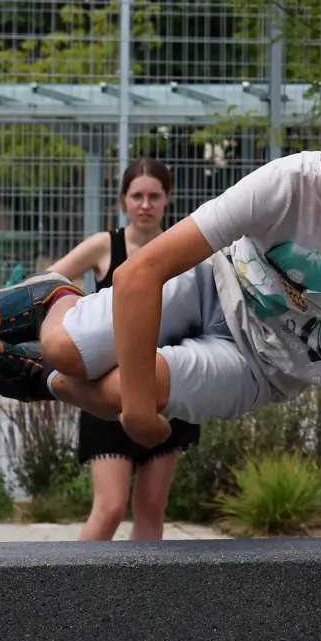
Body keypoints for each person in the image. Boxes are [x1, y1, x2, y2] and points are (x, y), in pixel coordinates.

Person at [0, 81, 321, 553]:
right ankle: (52, 300)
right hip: (211, 284)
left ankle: (36, 378)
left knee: (121, 388)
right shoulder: (287, 182)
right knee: (67, 352)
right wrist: (140, 417)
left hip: (262, 368)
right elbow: (141, 273)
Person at [45, 157, 200, 541]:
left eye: (153, 196)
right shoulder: (105, 245)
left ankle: (142, 600)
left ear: (168, 199)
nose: (145, 204)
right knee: (110, 508)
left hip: (164, 384)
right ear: (123, 201)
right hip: (106, 392)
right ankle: (72, 593)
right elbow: (49, 282)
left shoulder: (181, 245)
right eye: (137, 196)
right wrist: (74, 313)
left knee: (150, 508)